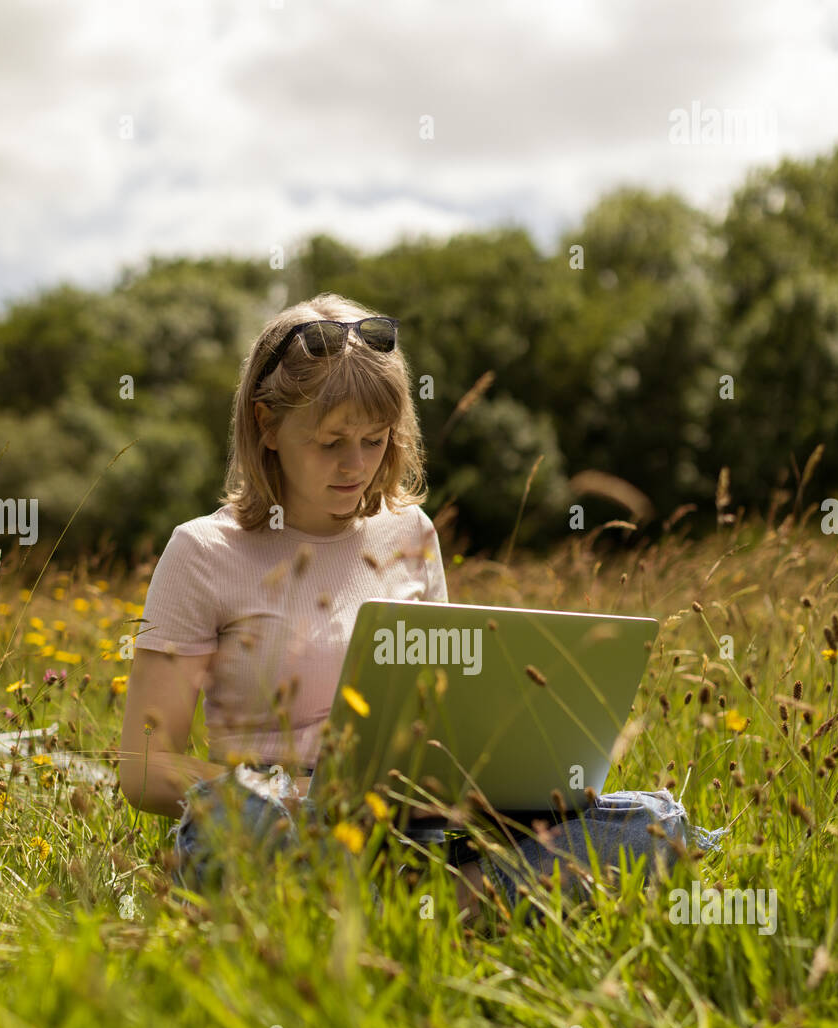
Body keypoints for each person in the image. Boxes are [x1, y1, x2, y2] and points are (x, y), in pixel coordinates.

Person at [119, 291, 724, 923]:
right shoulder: (202, 551)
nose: (356, 465)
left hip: (415, 826)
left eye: (375, 440)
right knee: (238, 828)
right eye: (330, 442)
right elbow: (144, 767)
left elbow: (442, 713)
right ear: (267, 425)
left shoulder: (410, 534)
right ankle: (433, 910)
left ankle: (382, 913)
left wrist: (497, 784)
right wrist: (288, 797)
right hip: (282, 824)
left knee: (649, 826)